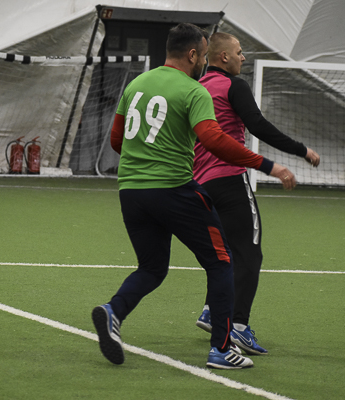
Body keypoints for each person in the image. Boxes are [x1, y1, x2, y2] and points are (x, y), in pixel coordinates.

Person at [91, 23, 297, 369]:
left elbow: (116, 140)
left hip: (131, 192)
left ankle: (114, 311)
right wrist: (267, 165)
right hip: (173, 190)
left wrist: (145, 158)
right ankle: (221, 349)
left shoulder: (136, 85)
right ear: (192, 55)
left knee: (152, 267)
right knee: (222, 262)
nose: (203, 62)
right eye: (202, 56)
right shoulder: (193, 90)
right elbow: (215, 140)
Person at [193, 32, 320, 355]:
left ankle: (211, 310)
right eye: (239, 52)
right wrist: (300, 150)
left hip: (199, 185)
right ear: (223, 57)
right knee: (249, 255)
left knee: (224, 253)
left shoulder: (197, 88)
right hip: (230, 180)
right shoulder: (234, 86)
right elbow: (257, 125)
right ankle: (237, 327)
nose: (243, 57)